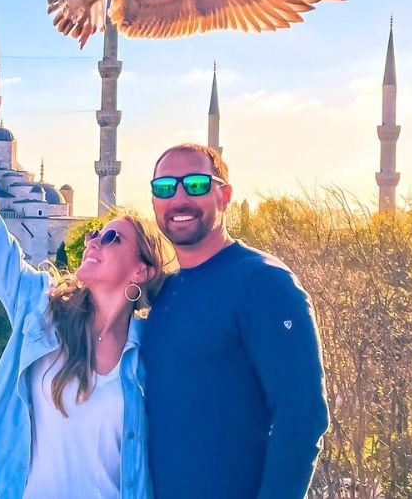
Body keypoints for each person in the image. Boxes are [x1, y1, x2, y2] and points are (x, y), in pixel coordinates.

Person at [0, 62, 174, 499]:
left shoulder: (151, 352)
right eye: (92, 231)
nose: (92, 239)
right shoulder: (40, 310)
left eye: (111, 237)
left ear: (140, 270)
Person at [141, 144, 329, 498]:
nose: (179, 197)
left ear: (224, 195)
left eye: (195, 184)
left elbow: (302, 417)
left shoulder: (263, 282)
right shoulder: (167, 291)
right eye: (165, 187)